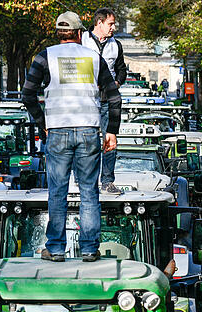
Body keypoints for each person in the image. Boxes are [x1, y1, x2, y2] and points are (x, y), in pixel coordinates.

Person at [22, 11, 121, 262]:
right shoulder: (94, 57)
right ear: (79, 34)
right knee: (89, 191)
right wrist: (112, 131)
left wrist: (43, 122)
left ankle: (55, 248)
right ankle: (89, 248)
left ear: (58, 33)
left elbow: (28, 94)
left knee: (57, 190)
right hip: (88, 130)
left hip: (57, 131)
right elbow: (114, 96)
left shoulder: (45, 57)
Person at [82, 7, 127, 195]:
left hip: (107, 100)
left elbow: (122, 69)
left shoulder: (115, 45)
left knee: (110, 140)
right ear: (99, 23)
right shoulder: (82, 40)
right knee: (86, 141)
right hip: (85, 100)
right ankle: (84, 180)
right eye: (110, 24)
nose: (113, 27)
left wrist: (115, 83)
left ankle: (107, 181)